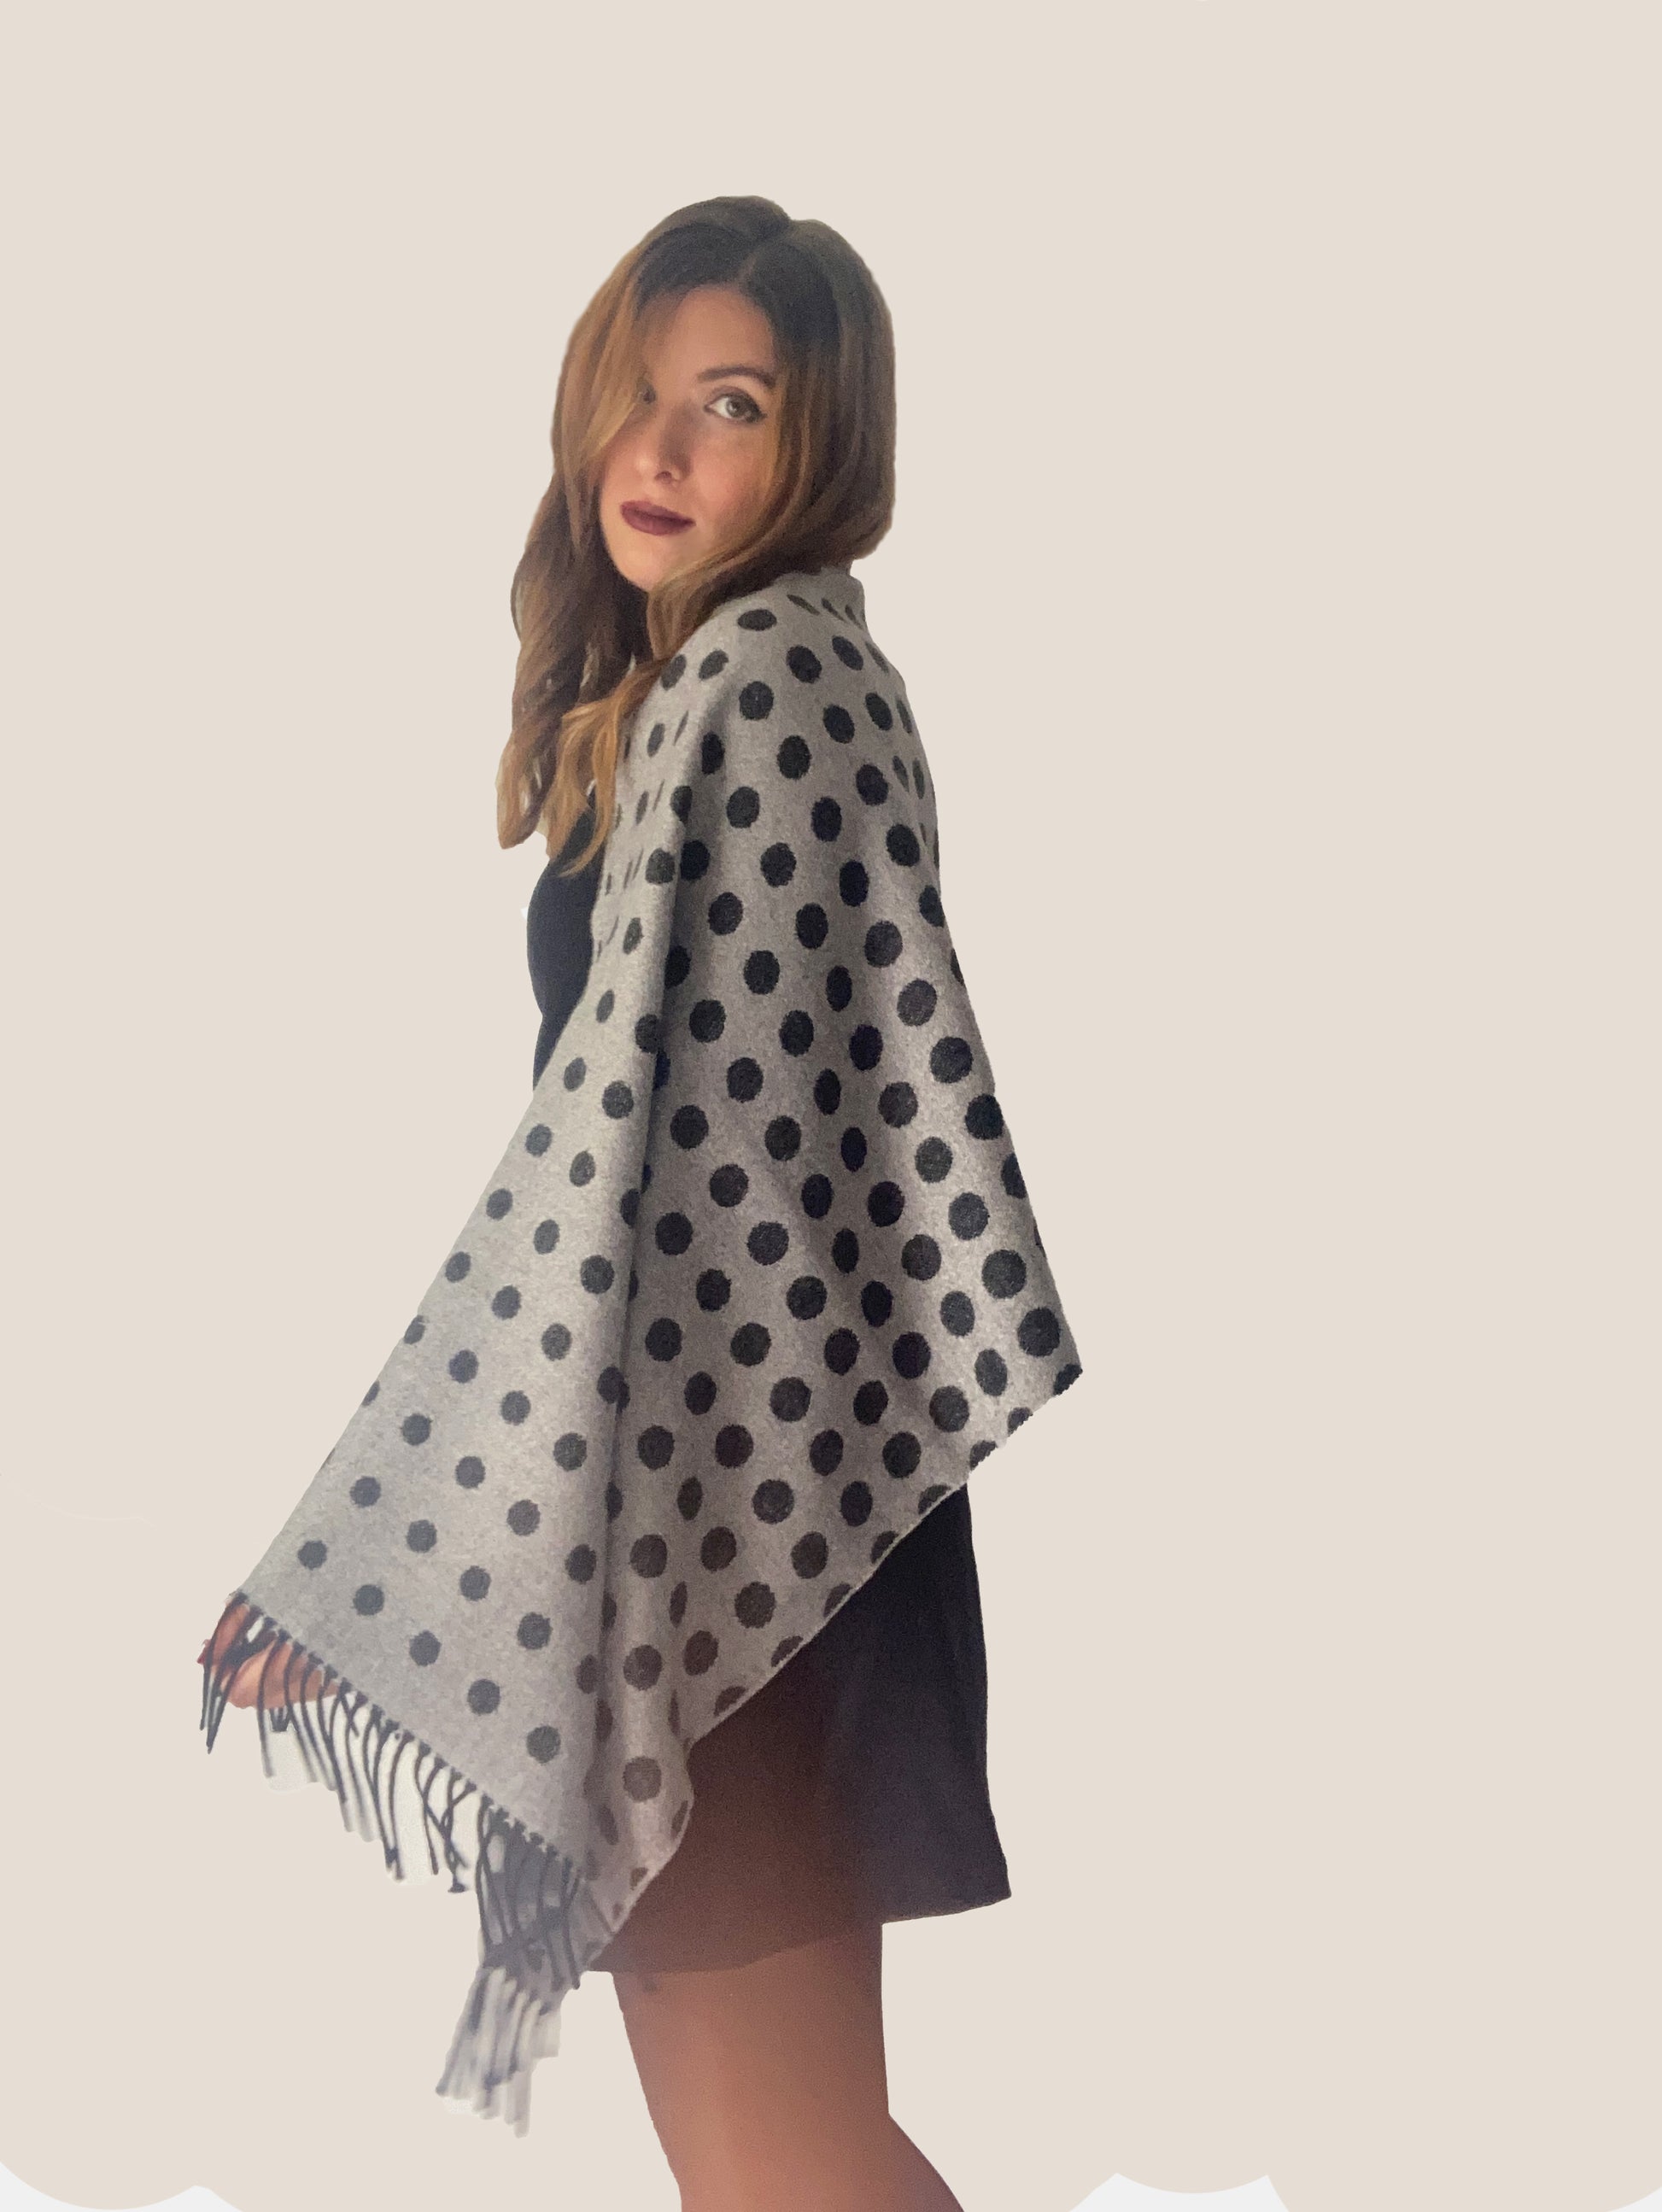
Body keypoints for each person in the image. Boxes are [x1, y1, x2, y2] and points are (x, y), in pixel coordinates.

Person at [204, 196, 1037, 2211]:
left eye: (728, 406)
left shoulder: (765, 683)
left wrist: (368, 1556)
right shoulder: (731, 691)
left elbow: (614, 1182)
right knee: (789, 2158)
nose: (655, 451)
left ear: (821, 442)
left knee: (777, 2168)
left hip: (746, 1537)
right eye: (635, 397)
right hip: (743, 1507)